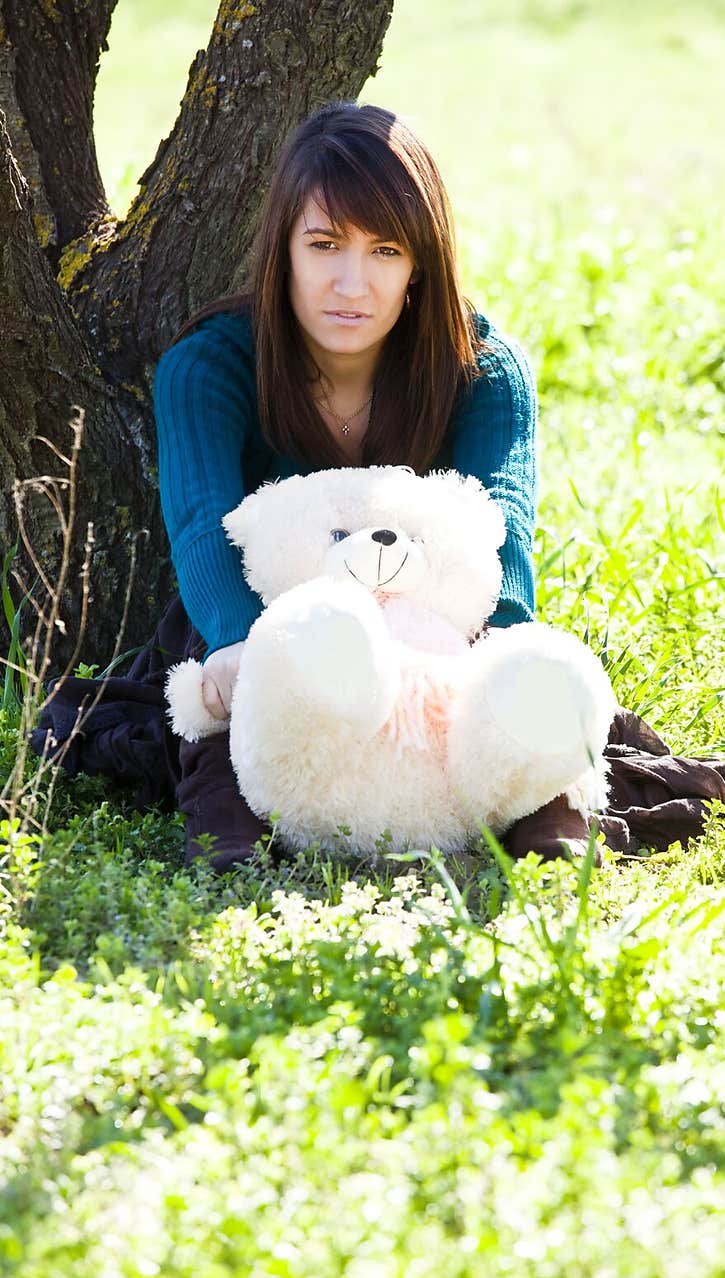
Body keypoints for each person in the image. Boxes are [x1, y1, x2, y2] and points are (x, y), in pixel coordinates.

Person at [153, 100, 591, 871]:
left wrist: (500, 648)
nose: (351, 283)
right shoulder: (210, 365)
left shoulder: (484, 369)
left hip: (435, 618)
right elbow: (201, 526)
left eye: (385, 250)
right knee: (227, 675)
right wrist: (235, 640)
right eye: (324, 244)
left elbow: (503, 528)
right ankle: (230, 819)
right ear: (282, 247)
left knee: (523, 686)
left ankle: (542, 807)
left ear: (421, 260)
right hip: (266, 617)